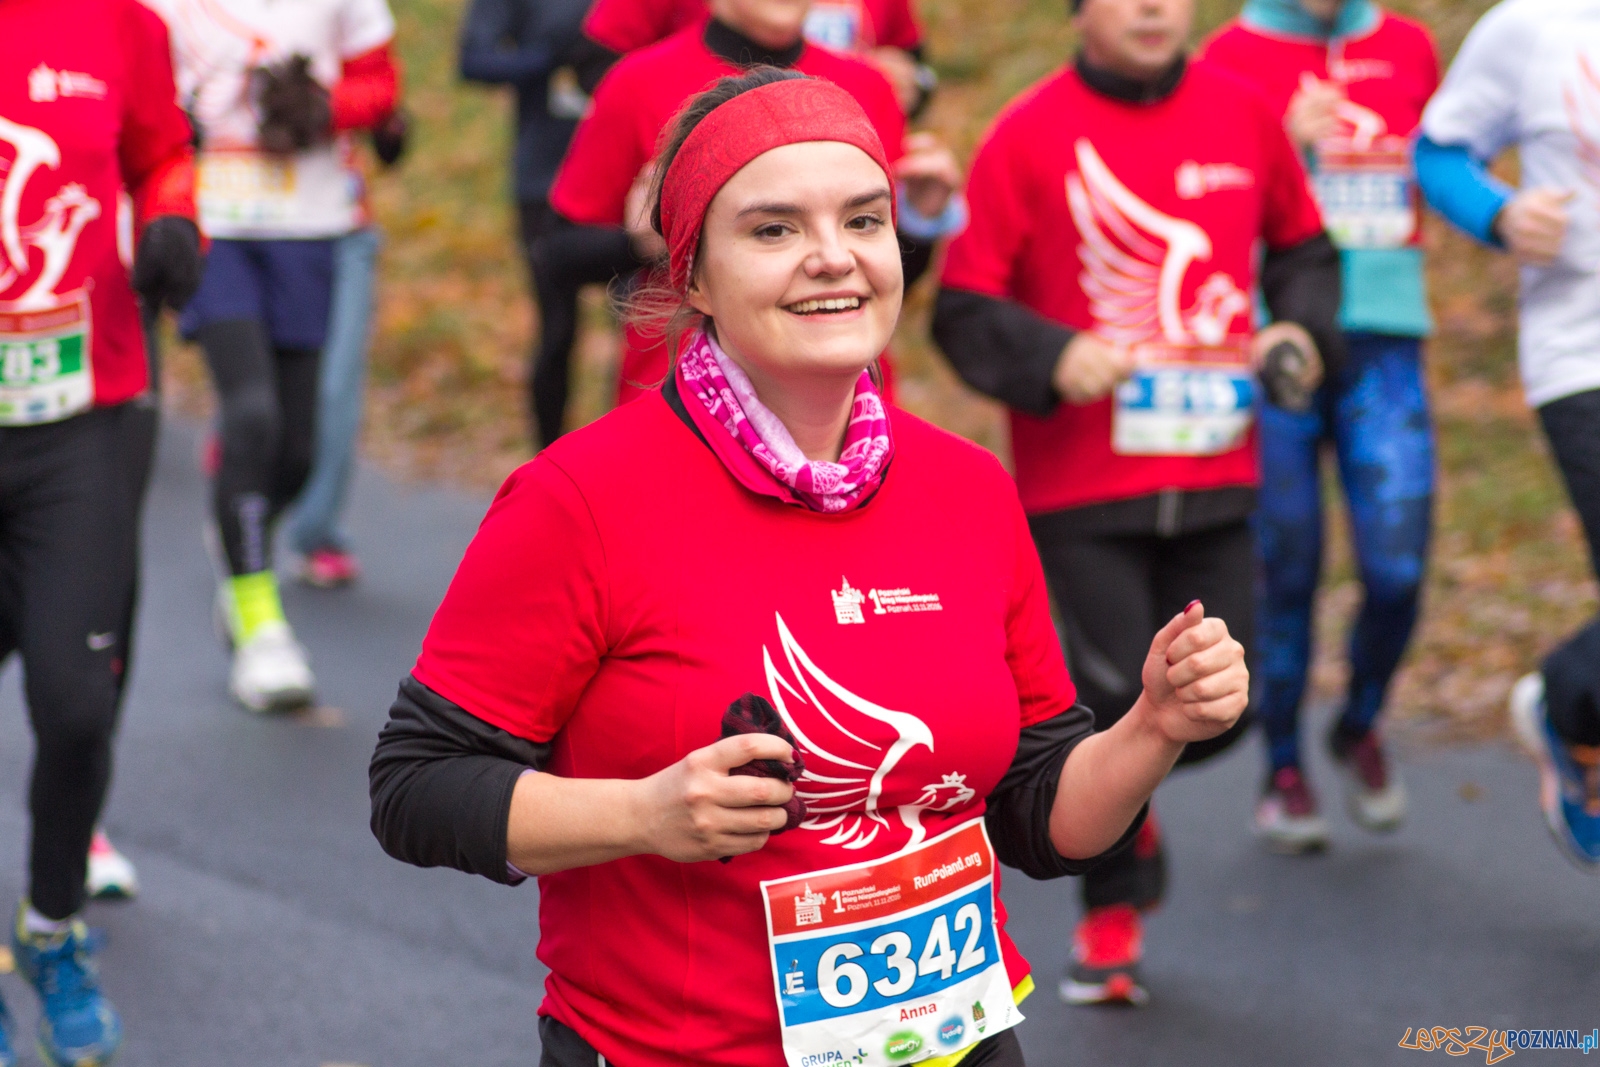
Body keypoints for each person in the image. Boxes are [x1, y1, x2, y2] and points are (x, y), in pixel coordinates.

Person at [369, 69, 1250, 1066]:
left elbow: (1039, 813)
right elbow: (416, 784)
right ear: (693, 275)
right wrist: (643, 812)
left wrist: (1153, 727)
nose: (833, 258)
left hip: (953, 1044)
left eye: (863, 220)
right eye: (774, 229)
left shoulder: (968, 488)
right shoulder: (582, 498)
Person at [932, 0, 1343, 1005]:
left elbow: (1304, 251)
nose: (1154, 6)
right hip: (1081, 492)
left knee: (1216, 709)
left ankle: (1128, 788)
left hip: (1216, 475)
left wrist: (1298, 333)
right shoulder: (1028, 133)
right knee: (1110, 700)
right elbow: (962, 307)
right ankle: (1112, 910)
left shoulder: (1245, 114)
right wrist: (1051, 353)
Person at [0, 0, 202, 1061]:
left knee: (77, 705)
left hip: (79, 419)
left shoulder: (119, 21)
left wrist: (173, 216)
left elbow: (163, 150)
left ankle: (50, 926)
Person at [1200, 0, 1440, 852]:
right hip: (1282, 340)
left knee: (1398, 565)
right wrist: (1284, 147)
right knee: (1287, 562)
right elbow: (1207, 206)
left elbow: (1443, 166)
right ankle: (1286, 766)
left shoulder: (1408, 45)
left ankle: (1360, 721)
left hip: (1383, 341)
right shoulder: (1227, 55)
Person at [533, 0, 962, 444]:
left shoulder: (868, 86)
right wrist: (645, 244)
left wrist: (918, 221)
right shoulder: (637, 82)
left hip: (847, 428)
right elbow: (557, 254)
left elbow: (880, 281)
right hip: (679, 421)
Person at [150, 0, 401, 710]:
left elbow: (381, 86)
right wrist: (173, 124)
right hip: (211, 224)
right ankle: (260, 622)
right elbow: (132, 94)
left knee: (299, 446)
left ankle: (240, 533)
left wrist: (323, 107)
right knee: (250, 412)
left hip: (309, 225)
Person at [1414, 0, 1600, 869]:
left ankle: (1575, 698)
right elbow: (1438, 152)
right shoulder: (1533, 26)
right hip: (1585, 355)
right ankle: (1576, 705)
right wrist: (1499, 214)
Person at [458, 0, 592, 453]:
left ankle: (647, 464)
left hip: (631, 174)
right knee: (557, 329)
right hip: (545, 181)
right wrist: (546, 57)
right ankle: (549, 463)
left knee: (649, 326)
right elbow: (473, 60)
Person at [285, 109, 408, 589]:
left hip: (345, 232)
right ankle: (244, 439)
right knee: (274, 390)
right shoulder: (227, 33)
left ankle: (316, 531)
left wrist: (388, 122)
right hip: (261, 230)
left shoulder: (351, 34)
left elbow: (389, 137)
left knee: (338, 384)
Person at [576, 0, 935, 114]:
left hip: (842, 166)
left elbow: (916, 70)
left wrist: (911, 87)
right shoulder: (640, 78)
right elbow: (593, 69)